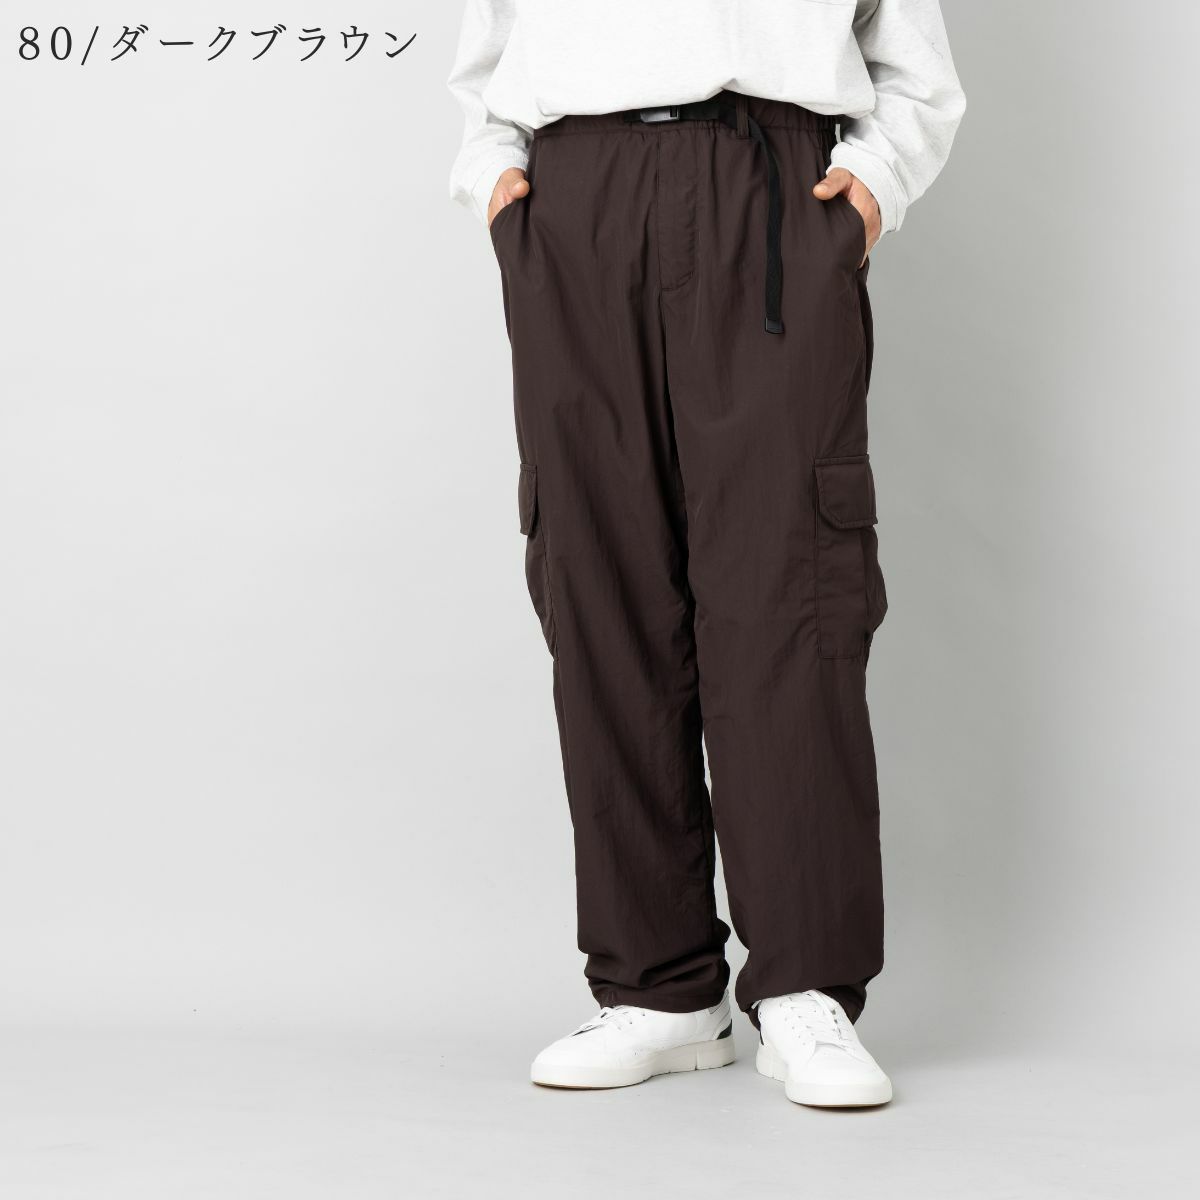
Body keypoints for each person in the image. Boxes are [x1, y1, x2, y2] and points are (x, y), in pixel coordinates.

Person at [448, 0, 964, 1109]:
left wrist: (874, 184)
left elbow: (917, 64)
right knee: (598, 577)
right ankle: (658, 987)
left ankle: (806, 987)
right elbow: (488, 51)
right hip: (575, 200)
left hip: (769, 189)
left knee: (792, 583)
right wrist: (494, 175)